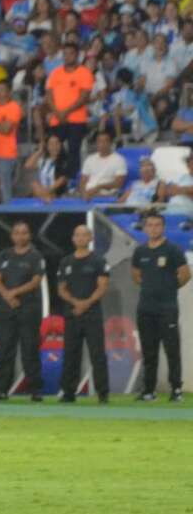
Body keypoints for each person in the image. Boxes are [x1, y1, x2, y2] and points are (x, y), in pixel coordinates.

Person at [132, 212, 190, 402]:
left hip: (167, 308)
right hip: (145, 308)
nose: (153, 228)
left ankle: (176, 390)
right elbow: (136, 275)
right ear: (145, 228)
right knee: (149, 351)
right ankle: (148, 390)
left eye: (157, 225)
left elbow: (185, 274)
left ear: (163, 227)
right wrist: (150, 287)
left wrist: (169, 287)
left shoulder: (173, 250)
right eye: (150, 225)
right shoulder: (140, 252)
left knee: (171, 350)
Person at [0, 221, 45, 401]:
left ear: (29, 235)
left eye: (24, 233)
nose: (20, 236)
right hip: (6, 309)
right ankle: (1, 389)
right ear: (12, 235)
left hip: (29, 308)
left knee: (30, 349)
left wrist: (15, 292)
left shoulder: (35, 256)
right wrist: (7, 295)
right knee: (5, 349)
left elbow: (36, 281)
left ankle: (35, 390)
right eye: (16, 233)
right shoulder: (4, 255)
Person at [57, 224, 110, 404]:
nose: (81, 238)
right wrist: (75, 303)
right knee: (71, 354)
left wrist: (86, 303)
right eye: (77, 235)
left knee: (97, 354)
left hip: (92, 314)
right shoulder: (66, 262)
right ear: (73, 239)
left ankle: (103, 394)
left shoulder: (99, 261)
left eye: (84, 235)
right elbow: (61, 289)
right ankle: (68, 393)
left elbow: (102, 286)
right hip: (72, 313)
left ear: (90, 239)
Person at [45, 42, 94, 182]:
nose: (67, 57)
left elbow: (84, 96)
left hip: (76, 120)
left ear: (77, 55)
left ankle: (72, 181)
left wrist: (66, 111)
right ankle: (55, 181)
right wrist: (56, 111)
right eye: (65, 54)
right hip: (57, 119)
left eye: (71, 53)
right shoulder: (55, 73)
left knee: (74, 150)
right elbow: (49, 94)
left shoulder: (84, 73)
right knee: (55, 151)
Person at [79, 131, 127, 201]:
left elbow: (118, 183)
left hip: (107, 195)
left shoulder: (119, 160)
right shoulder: (89, 159)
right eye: (99, 141)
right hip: (88, 194)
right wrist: (84, 194)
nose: (102, 144)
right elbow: (83, 181)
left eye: (105, 141)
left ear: (110, 143)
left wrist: (99, 187)